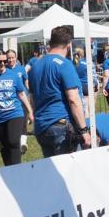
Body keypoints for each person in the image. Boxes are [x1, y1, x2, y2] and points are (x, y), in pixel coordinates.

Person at [28, 25, 92, 157]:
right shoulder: (65, 65)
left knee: (52, 171)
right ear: (68, 45)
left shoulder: (35, 66)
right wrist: (84, 130)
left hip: (42, 127)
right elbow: (73, 99)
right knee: (69, 172)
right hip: (61, 126)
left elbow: (32, 98)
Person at [0, 50, 33, 166]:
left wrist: (30, 111)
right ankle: (8, 170)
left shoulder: (13, 75)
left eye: (5, 61)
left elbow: (21, 94)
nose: (3, 63)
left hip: (14, 113)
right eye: (0, 61)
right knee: (4, 145)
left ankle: (17, 171)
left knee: (14, 142)